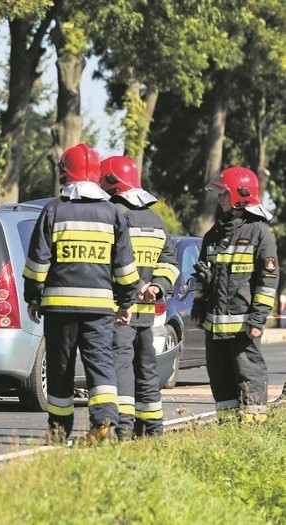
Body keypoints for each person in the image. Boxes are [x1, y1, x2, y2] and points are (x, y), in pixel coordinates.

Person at [23, 144, 143, 444]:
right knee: (100, 363)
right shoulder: (112, 213)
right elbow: (125, 267)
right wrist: (126, 301)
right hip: (100, 309)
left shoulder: (53, 209)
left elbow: (38, 261)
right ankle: (103, 420)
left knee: (61, 368)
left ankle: (59, 430)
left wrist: (32, 297)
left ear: (66, 173)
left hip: (59, 308)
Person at [99, 156, 179, 438]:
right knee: (146, 367)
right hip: (146, 309)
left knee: (120, 367)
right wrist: (156, 285)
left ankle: (122, 427)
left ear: (111, 182)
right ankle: (152, 427)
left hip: (118, 310)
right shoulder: (155, 220)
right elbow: (169, 261)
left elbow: (109, 263)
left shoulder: (111, 216)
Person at [191, 167, 278, 423]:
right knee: (220, 381)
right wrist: (198, 305)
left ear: (240, 195)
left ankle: (252, 431)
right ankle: (228, 431)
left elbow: (268, 280)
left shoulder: (258, 232)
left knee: (248, 375)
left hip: (243, 327)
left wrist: (258, 318)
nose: (220, 199)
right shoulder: (213, 235)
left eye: (224, 194)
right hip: (214, 327)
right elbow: (202, 276)